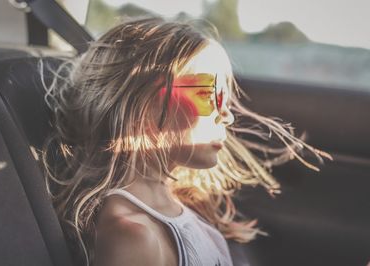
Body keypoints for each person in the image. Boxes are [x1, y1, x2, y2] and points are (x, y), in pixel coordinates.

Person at [41, 16, 331, 266]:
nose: (227, 116)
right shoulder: (134, 236)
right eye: (209, 95)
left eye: (226, 98)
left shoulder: (180, 202)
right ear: (141, 107)